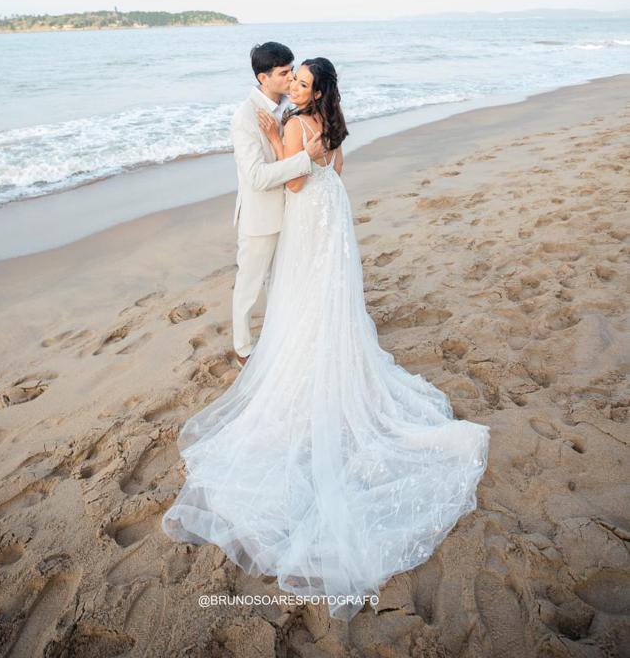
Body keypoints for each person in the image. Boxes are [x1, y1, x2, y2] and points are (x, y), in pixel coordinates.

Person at [161, 56, 491, 622]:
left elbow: (294, 180)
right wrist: (303, 151)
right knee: (328, 293)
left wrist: (284, 143)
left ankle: (300, 361)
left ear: (315, 91)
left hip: (308, 212)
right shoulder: (332, 119)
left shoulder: (294, 122)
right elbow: (334, 167)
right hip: (332, 211)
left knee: (303, 294)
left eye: (302, 82)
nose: (294, 86)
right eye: (291, 79)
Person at [228, 42, 325, 367]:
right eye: (284, 73)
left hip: (294, 210)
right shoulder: (245, 117)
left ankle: (279, 338)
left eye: (292, 71)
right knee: (250, 285)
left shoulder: (290, 105)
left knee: (283, 282)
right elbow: (256, 177)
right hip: (261, 216)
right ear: (263, 77)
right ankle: (242, 349)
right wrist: (304, 160)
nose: (291, 78)